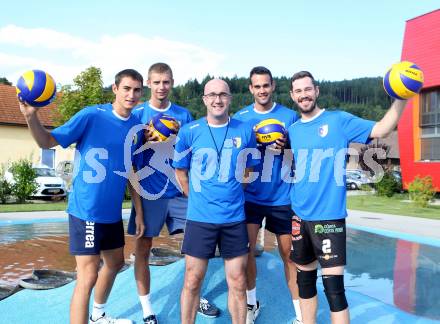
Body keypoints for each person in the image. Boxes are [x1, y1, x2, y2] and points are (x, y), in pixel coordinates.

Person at [18, 69, 146, 324]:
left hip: (111, 212)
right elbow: (46, 142)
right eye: (126, 89)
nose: (131, 95)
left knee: (116, 262)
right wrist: (32, 117)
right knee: (87, 275)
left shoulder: (136, 126)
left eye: (136, 90)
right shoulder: (91, 115)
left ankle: (98, 315)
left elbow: (130, 169)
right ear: (115, 89)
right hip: (86, 209)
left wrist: (139, 210)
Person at [287, 71, 408, 324]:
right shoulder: (293, 130)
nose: (303, 95)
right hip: (299, 216)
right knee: (305, 284)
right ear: (292, 96)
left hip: (329, 218)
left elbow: (382, 130)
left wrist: (402, 97)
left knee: (335, 292)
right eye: (298, 91)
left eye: (307, 89)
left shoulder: (338, 121)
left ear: (316, 91)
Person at [127, 63, 219, 324]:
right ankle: (147, 310)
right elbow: (130, 162)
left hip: (180, 192)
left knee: (195, 249)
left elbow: (195, 154)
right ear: (148, 83)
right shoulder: (137, 114)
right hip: (149, 194)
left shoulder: (184, 115)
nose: (161, 87)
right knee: (143, 249)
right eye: (156, 82)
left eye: (166, 82)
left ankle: (194, 294)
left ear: (172, 83)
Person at [173, 79, 259, 324]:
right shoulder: (190, 131)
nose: (217, 100)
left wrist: (234, 191)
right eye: (211, 95)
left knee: (238, 281)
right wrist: (197, 196)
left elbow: (250, 169)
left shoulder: (244, 130)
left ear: (230, 98)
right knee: (192, 279)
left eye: (222, 94)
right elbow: (181, 171)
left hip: (233, 219)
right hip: (200, 219)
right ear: (204, 99)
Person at [233, 66, 302, 324]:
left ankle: (300, 315)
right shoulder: (241, 118)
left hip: (283, 197)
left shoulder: (290, 117)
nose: (262, 90)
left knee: (290, 256)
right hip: (251, 196)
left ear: (273, 86)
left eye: (266, 85)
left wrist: (289, 146)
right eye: (257, 86)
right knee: (247, 251)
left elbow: (303, 155)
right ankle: (251, 305)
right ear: (251, 89)